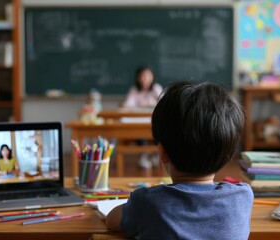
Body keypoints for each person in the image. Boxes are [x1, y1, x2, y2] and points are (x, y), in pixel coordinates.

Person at [106, 82, 254, 239]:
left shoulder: (146, 203)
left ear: (162, 153)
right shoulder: (242, 197)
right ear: (227, 155)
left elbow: (111, 220)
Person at [123, 66, 163, 169]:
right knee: (138, 131)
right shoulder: (134, 90)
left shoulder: (156, 88)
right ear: (138, 78)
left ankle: (153, 154)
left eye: (147, 76)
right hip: (138, 121)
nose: (145, 79)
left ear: (152, 77)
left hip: (153, 121)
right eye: (142, 76)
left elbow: (163, 104)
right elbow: (127, 105)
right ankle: (145, 155)